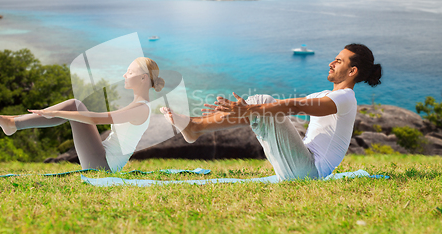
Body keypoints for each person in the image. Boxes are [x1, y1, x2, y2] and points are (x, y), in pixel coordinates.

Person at [161, 44, 382, 181]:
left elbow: (294, 106)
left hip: (309, 173)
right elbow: (288, 105)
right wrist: (249, 111)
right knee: (264, 105)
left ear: (352, 71)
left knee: (263, 102)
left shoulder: (344, 99)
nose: (331, 63)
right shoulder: (328, 94)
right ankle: (195, 125)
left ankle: (195, 127)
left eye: (339, 61)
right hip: (301, 165)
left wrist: (251, 109)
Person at [0, 57, 165, 172]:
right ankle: (13, 123)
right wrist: (59, 113)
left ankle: (13, 124)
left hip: (103, 165)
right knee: (74, 105)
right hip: (103, 158)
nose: (124, 74)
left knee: (75, 105)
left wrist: (57, 112)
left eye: (130, 72)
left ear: (143, 78)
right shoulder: (139, 105)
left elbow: (97, 118)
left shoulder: (140, 109)